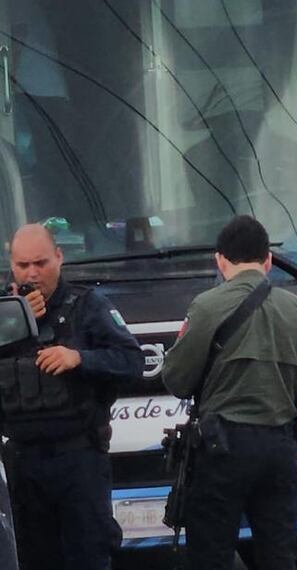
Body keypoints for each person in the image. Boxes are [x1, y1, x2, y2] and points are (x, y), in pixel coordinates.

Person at [162, 215, 297, 570]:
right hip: (280, 447)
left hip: (221, 447)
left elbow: (177, 380)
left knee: (211, 551)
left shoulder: (206, 307)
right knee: (278, 553)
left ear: (220, 260)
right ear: (268, 259)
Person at [1, 224, 145, 570]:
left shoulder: (87, 305)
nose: (32, 273)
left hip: (78, 459)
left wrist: (80, 358)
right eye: (23, 265)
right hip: (22, 462)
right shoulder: (3, 312)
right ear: (11, 265)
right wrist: (14, 323)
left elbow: (133, 361)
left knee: (88, 555)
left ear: (59, 258)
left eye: (41, 263)